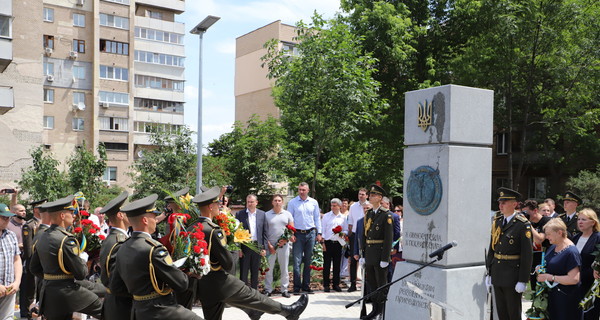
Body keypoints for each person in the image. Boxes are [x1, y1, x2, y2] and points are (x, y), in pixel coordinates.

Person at [192, 186, 308, 320]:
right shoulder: (214, 230)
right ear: (211, 207)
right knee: (250, 294)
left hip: (203, 284)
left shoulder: (192, 227)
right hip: (218, 279)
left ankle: (255, 312)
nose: (219, 206)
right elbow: (228, 263)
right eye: (217, 204)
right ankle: (288, 311)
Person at [109, 194, 202, 319]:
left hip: (138, 311)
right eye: (153, 216)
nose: (156, 220)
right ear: (145, 220)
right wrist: (188, 273)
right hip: (161, 309)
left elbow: (116, 287)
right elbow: (181, 284)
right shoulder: (154, 249)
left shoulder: (122, 248)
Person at [29, 195, 103, 320]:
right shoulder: (66, 239)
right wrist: (83, 260)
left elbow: (34, 268)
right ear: (62, 216)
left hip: (49, 291)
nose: (74, 215)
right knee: (104, 309)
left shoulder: (42, 236)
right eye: (71, 212)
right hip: (67, 291)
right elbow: (80, 273)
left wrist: (52, 278)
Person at [486, 187, 533, 320]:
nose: (500, 205)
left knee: (513, 312)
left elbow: (527, 255)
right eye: (500, 202)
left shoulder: (522, 224)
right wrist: (489, 271)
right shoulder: (498, 221)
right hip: (497, 272)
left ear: (514, 204)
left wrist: (523, 280)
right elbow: (492, 248)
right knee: (501, 312)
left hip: (512, 275)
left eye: (504, 202)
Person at [536, 218, 582, 320]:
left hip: (566, 300)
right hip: (553, 297)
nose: (546, 237)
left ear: (559, 232)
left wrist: (550, 277)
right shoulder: (553, 246)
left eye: (549, 234)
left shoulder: (571, 252)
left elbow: (574, 279)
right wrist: (541, 268)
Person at [360, 185, 393, 320]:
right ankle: (375, 309)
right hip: (369, 254)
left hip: (380, 254)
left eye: (374, 195)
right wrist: (363, 254)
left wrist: (385, 258)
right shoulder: (369, 214)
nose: (371, 197)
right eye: (370, 195)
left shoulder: (386, 215)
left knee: (381, 284)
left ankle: (382, 310)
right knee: (372, 283)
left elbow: (388, 238)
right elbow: (364, 235)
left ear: (380, 198)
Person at [99, 191, 132, 320]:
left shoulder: (112, 239)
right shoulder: (120, 242)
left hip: (113, 301)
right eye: (127, 211)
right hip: (121, 304)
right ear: (120, 215)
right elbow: (118, 281)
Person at [287, 182, 322, 294]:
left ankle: (306, 286)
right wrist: (290, 234)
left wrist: (319, 233)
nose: (301, 192)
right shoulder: (292, 202)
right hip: (297, 234)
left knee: (308, 261)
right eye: (300, 190)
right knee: (296, 262)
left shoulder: (314, 202)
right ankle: (296, 287)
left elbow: (317, 218)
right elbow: (289, 219)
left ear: (308, 190)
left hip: (311, 233)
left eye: (303, 190)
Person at [263, 194, 294, 297]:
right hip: (270, 246)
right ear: (272, 202)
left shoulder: (288, 214)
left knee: (284, 268)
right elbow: (264, 232)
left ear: (282, 202)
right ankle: (268, 289)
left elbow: (292, 230)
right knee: (269, 269)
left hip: (284, 245)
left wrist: (285, 240)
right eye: (275, 200)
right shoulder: (266, 215)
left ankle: (284, 289)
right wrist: (269, 245)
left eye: (279, 200)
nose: (277, 202)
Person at [20, 198, 46, 319]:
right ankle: (27, 312)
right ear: (36, 210)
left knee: (41, 287)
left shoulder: (46, 224)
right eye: (42, 208)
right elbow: (28, 247)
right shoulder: (29, 225)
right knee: (30, 287)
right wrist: (31, 262)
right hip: (33, 260)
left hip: (44, 261)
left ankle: (39, 310)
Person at [573, 208, 600, 320]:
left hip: (591, 284)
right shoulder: (576, 237)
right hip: (575, 283)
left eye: (584, 219)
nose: (580, 222)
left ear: (593, 222)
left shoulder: (598, 237)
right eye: (579, 219)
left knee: (589, 315)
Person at [236, 194, 267, 290]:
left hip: (257, 246)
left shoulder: (262, 214)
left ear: (256, 203)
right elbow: (237, 233)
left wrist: (263, 248)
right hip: (245, 246)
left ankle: (254, 292)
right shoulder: (240, 214)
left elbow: (264, 232)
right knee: (244, 271)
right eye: (248, 202)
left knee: (255, 271)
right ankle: (243, 292)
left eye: (252, 202)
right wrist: (239, 249)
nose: (250, 204)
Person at [0, 203, 22, 320]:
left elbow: (17, 260)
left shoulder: (11, 235)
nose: (7, 220)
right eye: (4, 217)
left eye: (8, 217)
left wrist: (17, 282)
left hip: (9, 289)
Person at [321, 198, 347, 292]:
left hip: (338, 243)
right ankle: (326, 285)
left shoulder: (343, 217)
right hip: (328, 242)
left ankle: (336, 284)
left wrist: (342, 233)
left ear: (339, 206)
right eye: (332, 205)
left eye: (335, 205)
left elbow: (346, 230)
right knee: (326, 265)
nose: (333, 207)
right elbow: (323, 230)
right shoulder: (326, 216)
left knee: (337, 265)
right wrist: (323, 243)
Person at [525, 200, 550, 290]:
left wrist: (528, 224)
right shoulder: (530, 222)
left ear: (535, 211)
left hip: (545, 262)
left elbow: (539, 239)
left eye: (528, 213)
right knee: (534, 290)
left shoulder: (547, 221)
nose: (526, 215)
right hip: (533, 262)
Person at [347, 188, 368, 292]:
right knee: (353, 259)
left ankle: (366, 285)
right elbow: (350, 220)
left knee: (366, 259)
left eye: (363, 194)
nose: (361, 196)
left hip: (366, 235)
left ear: (367, 196)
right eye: (359, 194)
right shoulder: (353, 206)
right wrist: (349, 233)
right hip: (355, 234)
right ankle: (352, 284)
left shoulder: (369, 206)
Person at [381, 197, 400, 282]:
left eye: (382, 204)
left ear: (387, 204)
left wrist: (395, 247)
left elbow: (397, 233)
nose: (380, 205)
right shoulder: (378, 215)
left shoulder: (394, 216)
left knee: (389, 269)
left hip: (389, 247)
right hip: (379, 246)